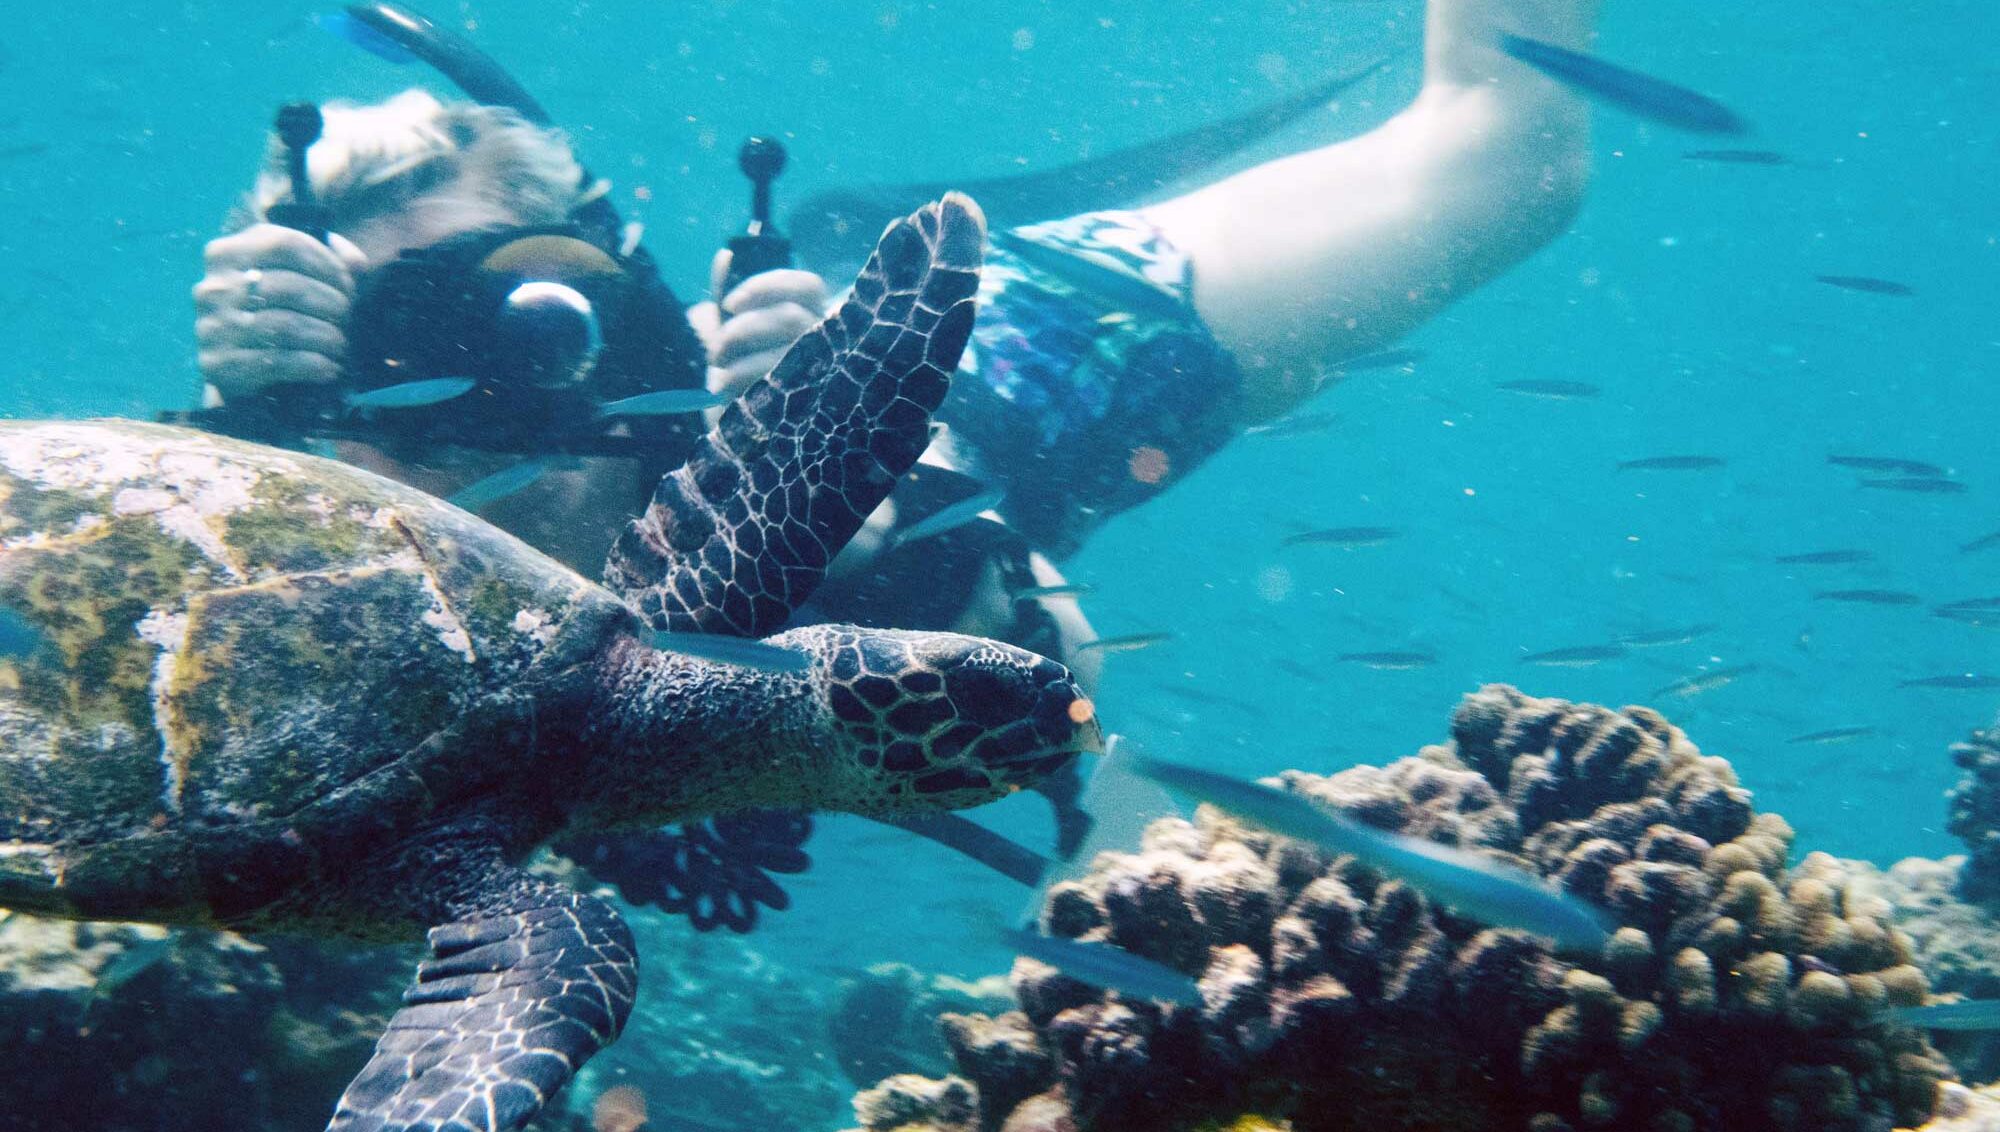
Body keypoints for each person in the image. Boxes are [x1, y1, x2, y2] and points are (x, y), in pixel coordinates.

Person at [189, 0, 1599, 909]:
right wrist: (250, 437)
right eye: (398, 335)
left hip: (1032, 350)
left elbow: (1062, 679)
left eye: (517, 298)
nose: (481, 382)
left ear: (611, 276)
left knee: (1510, 156)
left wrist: (857, 525)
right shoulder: (285, 507)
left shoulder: (778, 436)